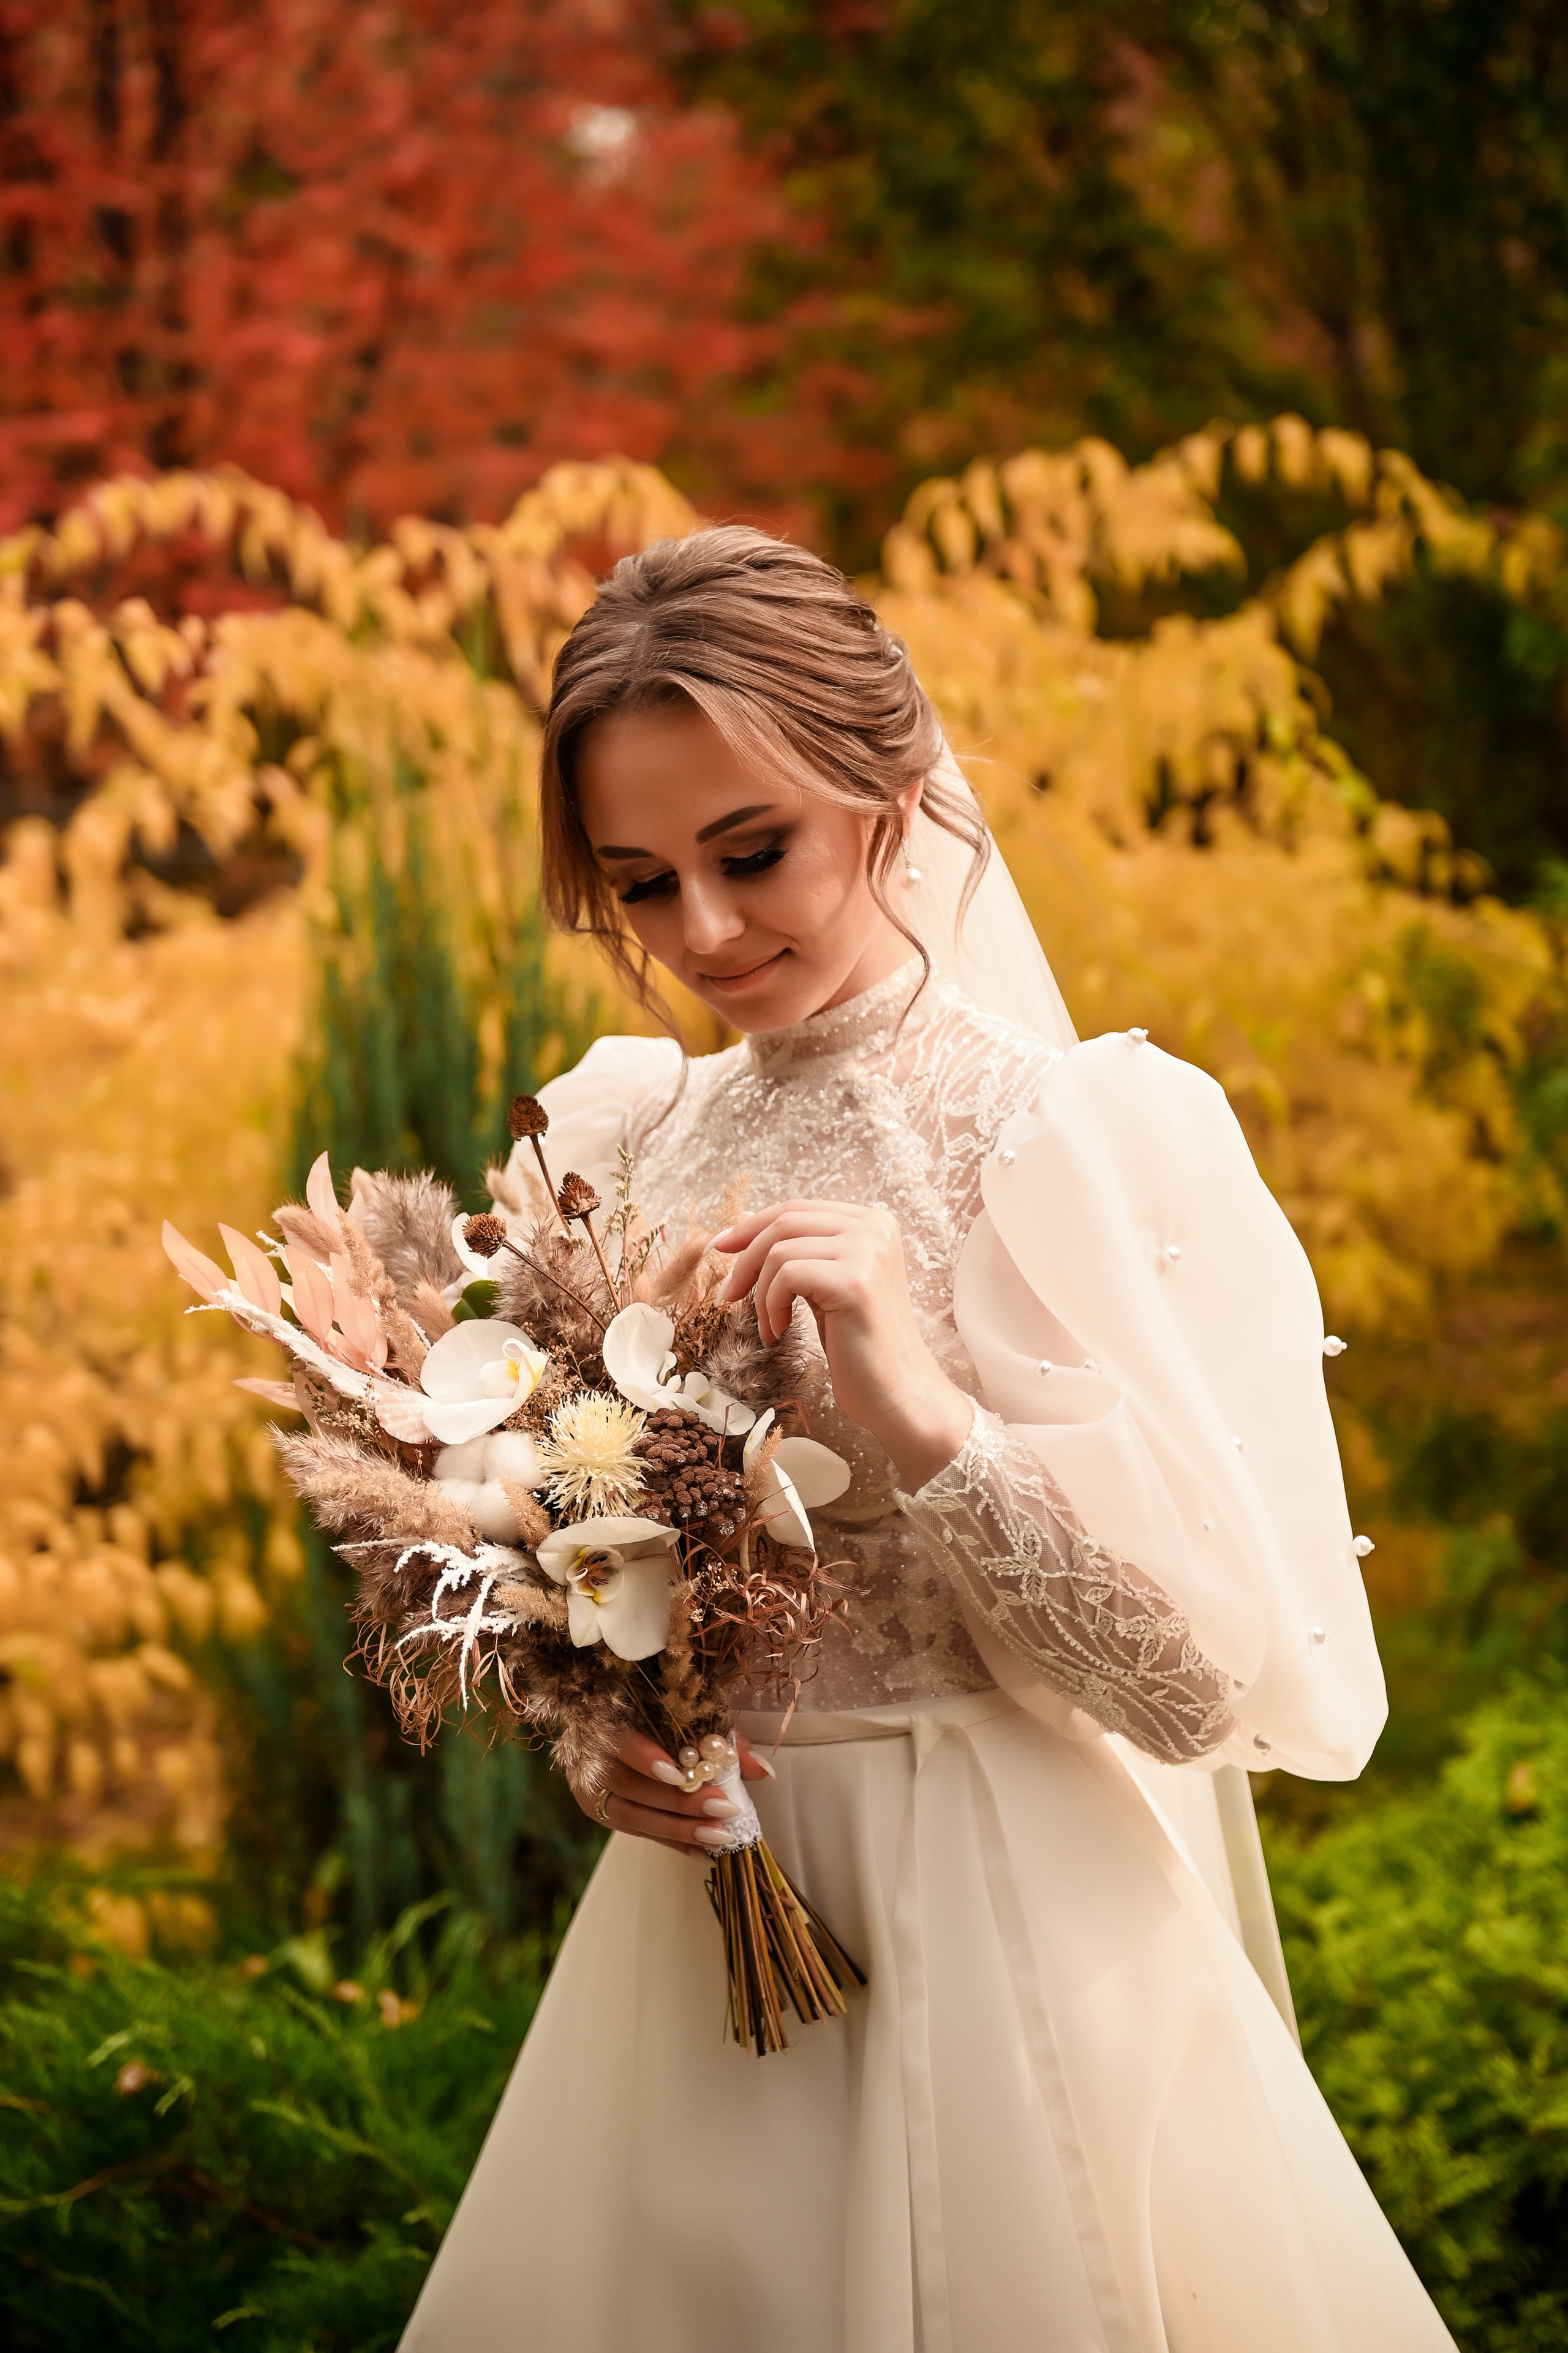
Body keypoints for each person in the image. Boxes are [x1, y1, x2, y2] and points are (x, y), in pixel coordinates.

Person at [402, 528, 1454, 2353]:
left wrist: (927, 1411)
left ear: (890, 792)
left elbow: (1201, 1694)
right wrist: (608, 1750)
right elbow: (582, 1559)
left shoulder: (1073, 1134)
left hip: (1007, 1924)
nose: (706, 933)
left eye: (754, 852)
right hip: (705, 1955)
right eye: (643, 884)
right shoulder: (620, 1137)